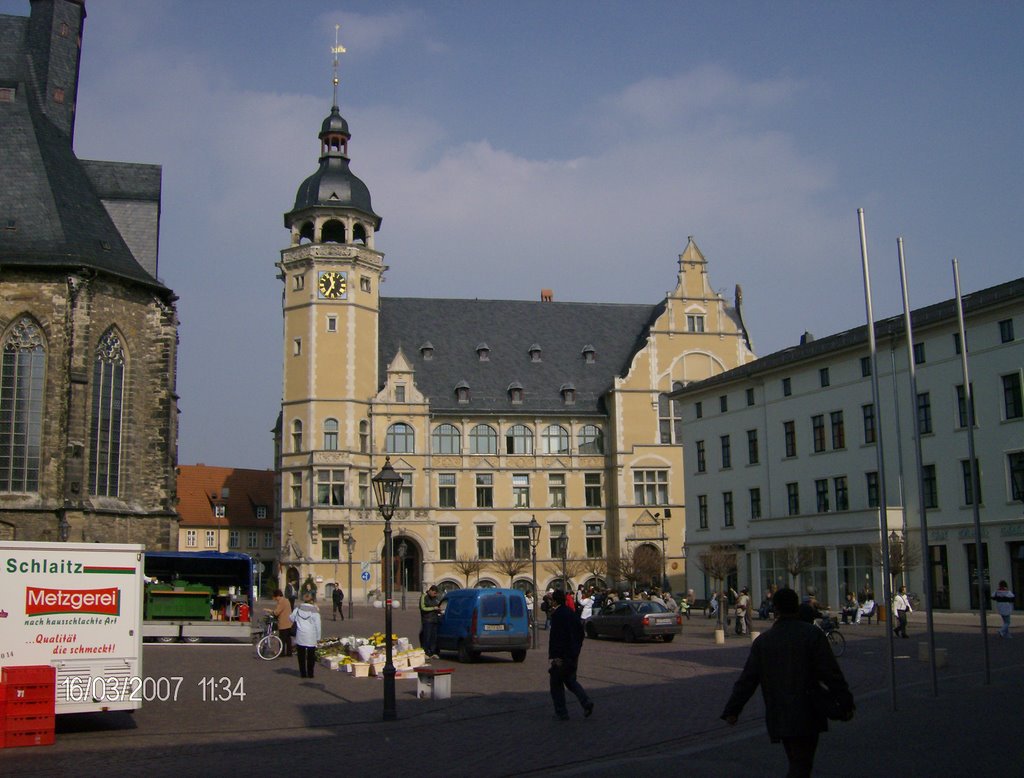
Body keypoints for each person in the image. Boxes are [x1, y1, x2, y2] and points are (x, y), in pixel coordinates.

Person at [721, 587, 854, 778]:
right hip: (808, 707)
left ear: (776, 609)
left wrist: (733, 710)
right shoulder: (812, 635)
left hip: (779, 709)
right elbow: (831, 674)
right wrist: (846, 702)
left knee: (796, 759)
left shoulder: (764, 641)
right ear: (797, 607)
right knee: (802, 763)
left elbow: (748, 679)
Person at [547, 590, 594, 720]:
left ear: (555, 601)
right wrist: (576, 649)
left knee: (556, 684)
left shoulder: (558, 615)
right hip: (573, 654)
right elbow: (580, 633)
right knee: (570, 680)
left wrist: (557, 656)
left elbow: (557, 638)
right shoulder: (571, 613)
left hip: (562, 655)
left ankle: (562, 712)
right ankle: (586, 702)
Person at [290, 592, 322, 679]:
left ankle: (303, 673)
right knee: (311, 655)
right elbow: (318, 625)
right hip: (311, 635)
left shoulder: (298, 608)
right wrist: (318, 637)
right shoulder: (314, 611)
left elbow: (291, 617)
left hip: (300, 635)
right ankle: (310, 673)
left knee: (301, 655)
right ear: (312, 600)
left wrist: (298, 621)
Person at [266, 588, 293, 657]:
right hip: (289, 622)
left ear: (277, 596)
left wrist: (270, 611)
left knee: (282, 639)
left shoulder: (281, 601)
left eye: (274, 597)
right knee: (288, 639)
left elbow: (276, 612)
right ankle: (289, 652)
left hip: (283, 623)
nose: (274, 599)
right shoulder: (286, 600)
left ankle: (282, 653)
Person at [419, 585, 443, 658]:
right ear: (430, 591)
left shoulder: (435, 598)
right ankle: (425, 652)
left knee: (434, 637)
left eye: (436, 594)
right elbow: (423, 608)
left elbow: (438, 605)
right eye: (434, 593)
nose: (435, 595)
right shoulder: (424, 597)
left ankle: (433, 652)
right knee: (427, 636)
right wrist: (433, 608)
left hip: (435, 620)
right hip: (427, 620)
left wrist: (439, 609)